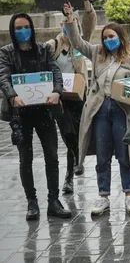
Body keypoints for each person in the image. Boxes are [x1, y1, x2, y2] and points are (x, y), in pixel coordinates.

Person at [63, 3, 130, 216]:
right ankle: (103, 196)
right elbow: (77, 42)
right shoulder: (96, 52)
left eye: (112, 36)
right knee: (102, 155)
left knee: (124, 154)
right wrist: (71, 19)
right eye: (105, 37)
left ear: (120, 36)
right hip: (99, 109)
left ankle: (129, 194)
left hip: (122, 110)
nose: (108, 40)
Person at [0, 13, 72, 220]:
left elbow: (55, 72)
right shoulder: (6, 53)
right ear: (12, 31)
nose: (22, 31)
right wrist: (12, 96)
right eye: (18, 28)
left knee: (51, 155)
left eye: (25, 26)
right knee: (26, 158)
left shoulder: (44, 49)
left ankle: (54, 201)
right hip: (20, 114)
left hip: (45, 110)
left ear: (31, 28)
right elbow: (3, 77)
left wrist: (57, 91)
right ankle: (32, 202)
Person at [44, 0, 96, 194]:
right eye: (66, 23)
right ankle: (75, 162)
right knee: (67, 130)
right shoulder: (52, 45)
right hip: (59, 97)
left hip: (78, 95)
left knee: (75, 132)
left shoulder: (80, 44)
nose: (69, 26)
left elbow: (90, 21)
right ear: (61, 24)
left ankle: (71, 174)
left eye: (72, 22)